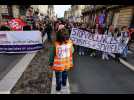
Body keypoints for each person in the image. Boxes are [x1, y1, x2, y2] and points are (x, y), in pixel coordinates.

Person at [49, 28, 74, 92]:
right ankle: (64, 83)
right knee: (65, 74)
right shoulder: (70, 42)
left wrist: (51, 62)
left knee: (58, 77)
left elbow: (52, 54)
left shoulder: (55, 44)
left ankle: (58, 87)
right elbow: (72, 51)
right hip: (66, 64)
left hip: (58, 66)